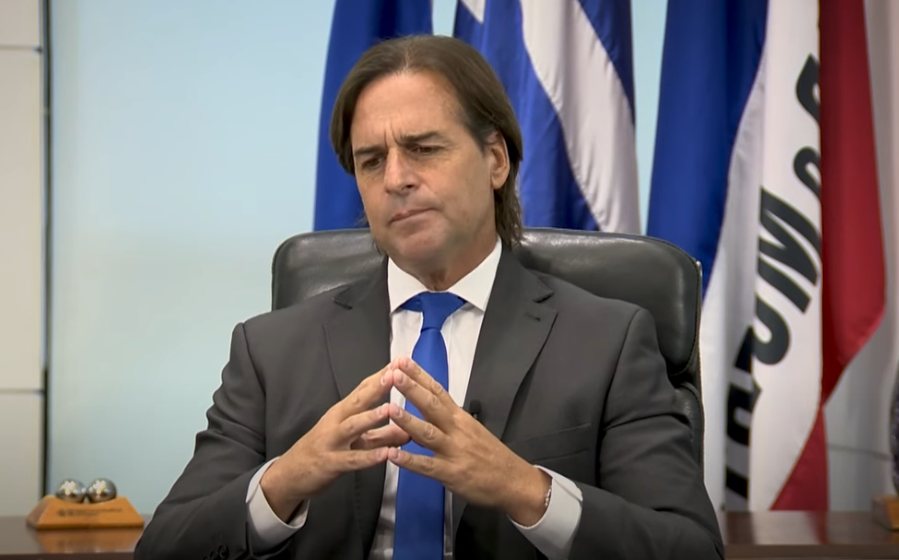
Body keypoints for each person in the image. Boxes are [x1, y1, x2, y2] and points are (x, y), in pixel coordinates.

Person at [134, 35, 723, 560]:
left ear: (495, 160)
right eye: (372, 161)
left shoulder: (608, 341)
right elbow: (166, 547)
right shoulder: (270, 351)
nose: (396, 179)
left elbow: (690, 548)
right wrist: (285, 479)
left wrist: (526, 489)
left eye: (423, 148)